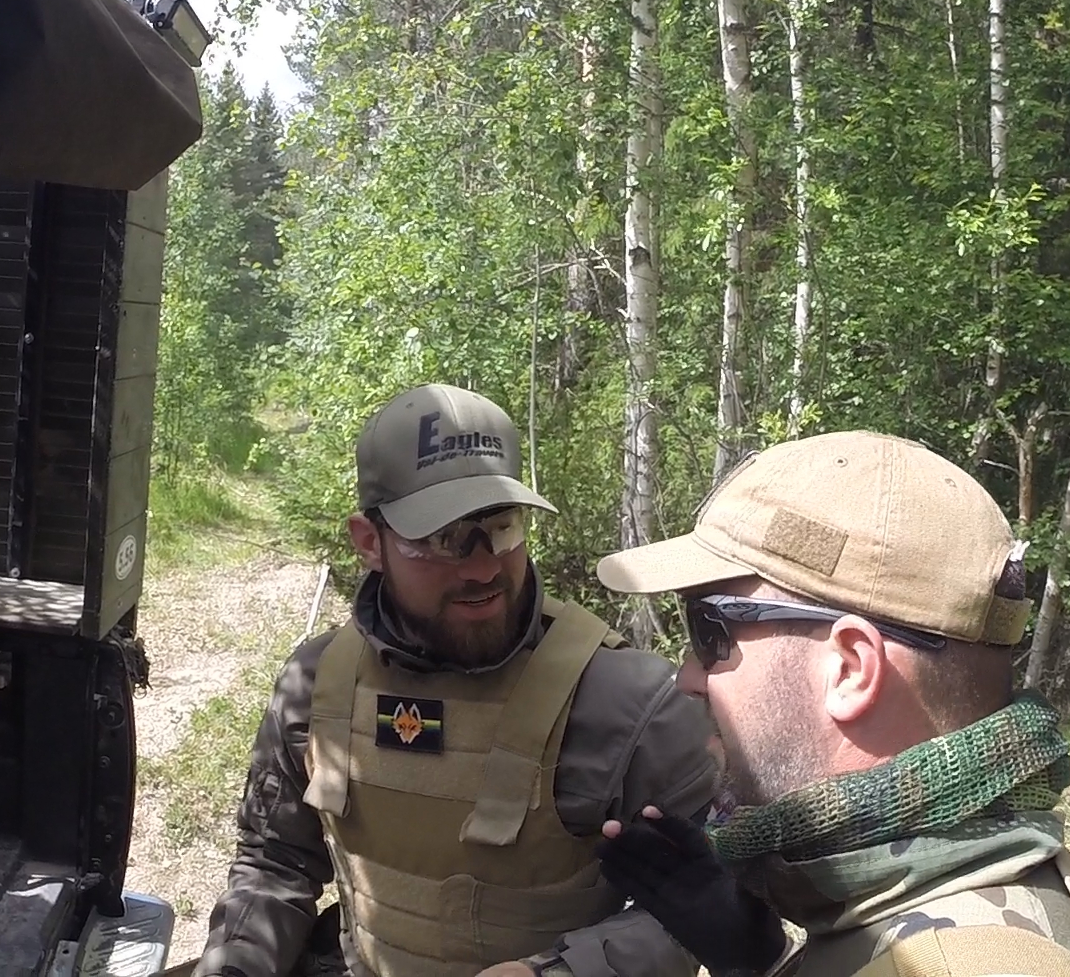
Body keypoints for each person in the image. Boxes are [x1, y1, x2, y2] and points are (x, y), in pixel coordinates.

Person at [589, 430, 1070, 977]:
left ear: (851, 668)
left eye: (709, 632)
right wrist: (759, 961)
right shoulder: (988, 880)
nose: (688, 677)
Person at [194, 384, 721, 977]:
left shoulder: (630, 704)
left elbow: (711, 902)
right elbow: (274, 861)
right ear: (370, 542)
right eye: (443, 539)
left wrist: (557, 973)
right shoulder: (318, 684)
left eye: (501, 527)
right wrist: (236, 965)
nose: (483, 567)